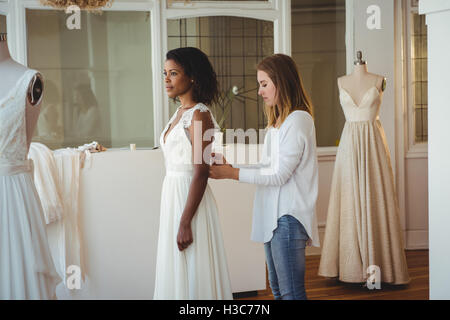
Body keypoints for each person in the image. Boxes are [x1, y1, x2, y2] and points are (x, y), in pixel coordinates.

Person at [209, 54, 319, 300]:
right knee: (279, 291)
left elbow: (278, 175)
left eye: (264, 83)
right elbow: (268, 165)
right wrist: (232, 166)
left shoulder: (298, 120)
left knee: (291, 292)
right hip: (274, 218)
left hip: (287, 218)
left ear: (282, 82)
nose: (259, 91)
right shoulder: (278, 122)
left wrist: (232, 174)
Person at [153, 47, 232, 300]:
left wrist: (186, 222)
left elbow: (200, 172)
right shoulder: (179, 113)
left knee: (194, 270)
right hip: (173, 197)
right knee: (177, 269)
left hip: (191, 202)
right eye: (165, 73)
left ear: (192, 77)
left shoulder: (199, 114)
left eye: (173, 73)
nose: (166, 79)